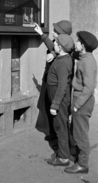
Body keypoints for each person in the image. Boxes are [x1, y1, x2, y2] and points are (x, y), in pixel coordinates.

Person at [64, 31, 98, 174]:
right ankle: (79, 157)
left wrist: (77, 106)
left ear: (83, 45)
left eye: (77, 41)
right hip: (79, 98)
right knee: (76, 131)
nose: (75, 42)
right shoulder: (85, 56)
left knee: (80, 135)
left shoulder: (88, 62)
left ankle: (82, 164)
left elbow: (89, 87)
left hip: (82, 101)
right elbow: (72, 52)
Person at [34, 20, 72, 142]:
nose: (53, 32)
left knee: (60, 117)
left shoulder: (66, 47)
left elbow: (64, 55)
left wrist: (54, 55)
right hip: (51, 84)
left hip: (58, 87)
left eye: (55, 31)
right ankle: (55, 135)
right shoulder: (59, 44)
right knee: (51, 111)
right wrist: (41, 33)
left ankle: (63, 148)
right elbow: (53, 47)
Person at [44, 34, 75, 166]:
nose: (54, 45)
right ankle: (65, 150)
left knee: (60, 127)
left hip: (59, 99)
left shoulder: (63, 63)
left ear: (61, 47)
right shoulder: (63, 56)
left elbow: (62, 86)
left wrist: (55, 105)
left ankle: (63, 158)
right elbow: (54, 49)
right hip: (57, 95)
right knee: (61, 125)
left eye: (55, 43)